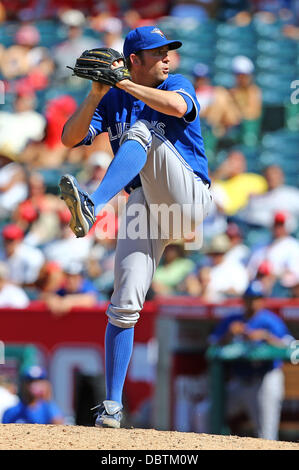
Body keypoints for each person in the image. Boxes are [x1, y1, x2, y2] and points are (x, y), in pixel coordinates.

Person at [59, 25, 212, 428]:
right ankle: (111, 408)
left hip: (188, 200)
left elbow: (177, 108)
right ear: (134, 60)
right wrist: (95, 93)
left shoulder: (177, 82)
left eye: (168, 50)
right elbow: (68, 138)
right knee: (122, 306)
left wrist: (124, 84)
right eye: (157, 51)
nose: (167, 57)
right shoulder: (112, 99)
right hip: (145, 203)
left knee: (144, 130)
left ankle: (91, 204)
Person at [193, 281, 294, 440]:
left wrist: (266, 336)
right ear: (244, 300)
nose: (253, 302)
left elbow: (291, 346)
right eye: (249, 298)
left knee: (266, 436)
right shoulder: (234, 320)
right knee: (205, 412)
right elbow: (211, 344)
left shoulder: (270, 320)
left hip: (264, 380)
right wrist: (228, 335)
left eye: (257, 298)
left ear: (262, 300)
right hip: (240, 383)